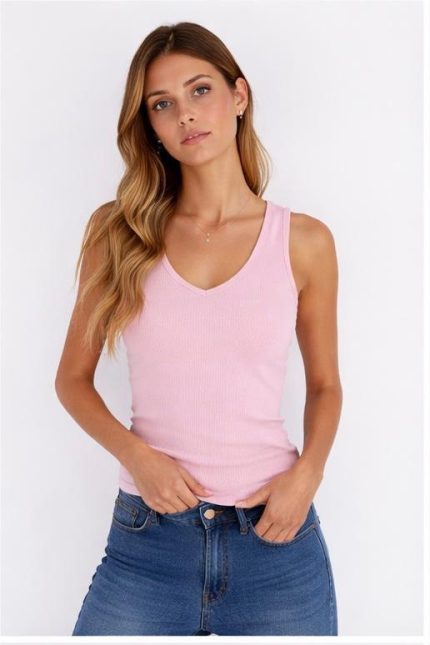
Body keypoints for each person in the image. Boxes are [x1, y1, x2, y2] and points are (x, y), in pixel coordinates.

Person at [55, 21, 342, 637]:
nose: (185, 114)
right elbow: (72, 380)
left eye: (200, 90)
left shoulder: (303, 241)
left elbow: (325, 386)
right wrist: (137, 456)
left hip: (276, 541)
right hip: (147, 543)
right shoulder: (119, 233)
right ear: (151, 127)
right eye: (162, 104)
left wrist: (308, 474)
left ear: (239, 95)